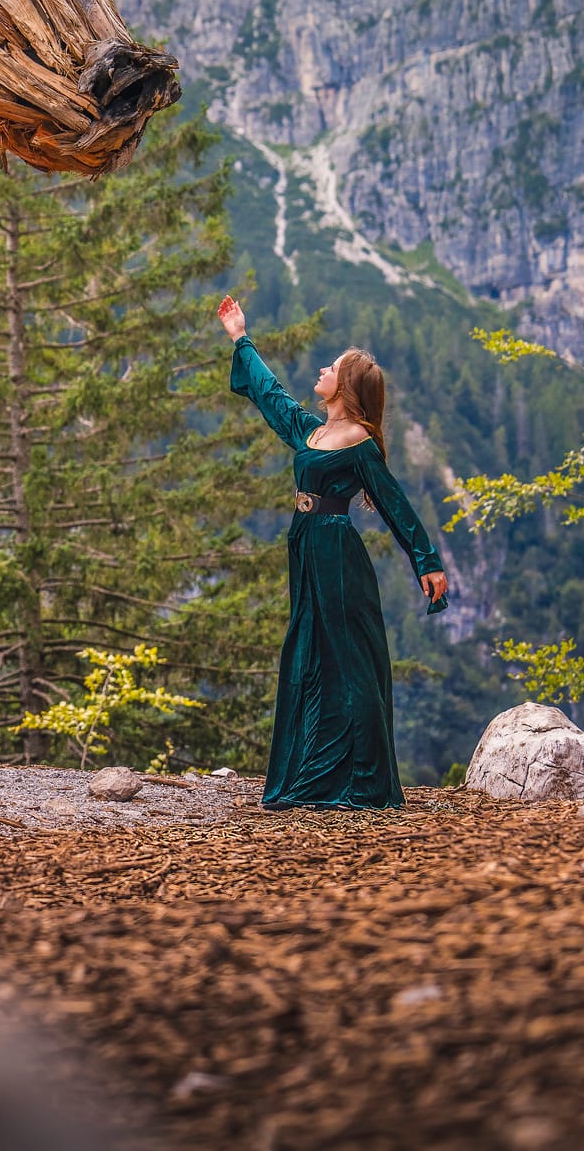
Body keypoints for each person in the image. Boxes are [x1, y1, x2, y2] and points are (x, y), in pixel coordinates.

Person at [218, 294, 447, 809]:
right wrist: (240, 336)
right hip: (305, 549)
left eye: (332, 366)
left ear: (345, 386)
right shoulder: (314, 432)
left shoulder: (359, 443)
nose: (321, 369)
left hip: (338, 558)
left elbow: (394, 504)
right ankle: (313, 774)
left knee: (349, 660)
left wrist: (426, 561)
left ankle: (362, 781)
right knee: (307, 654)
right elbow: (270, 395)